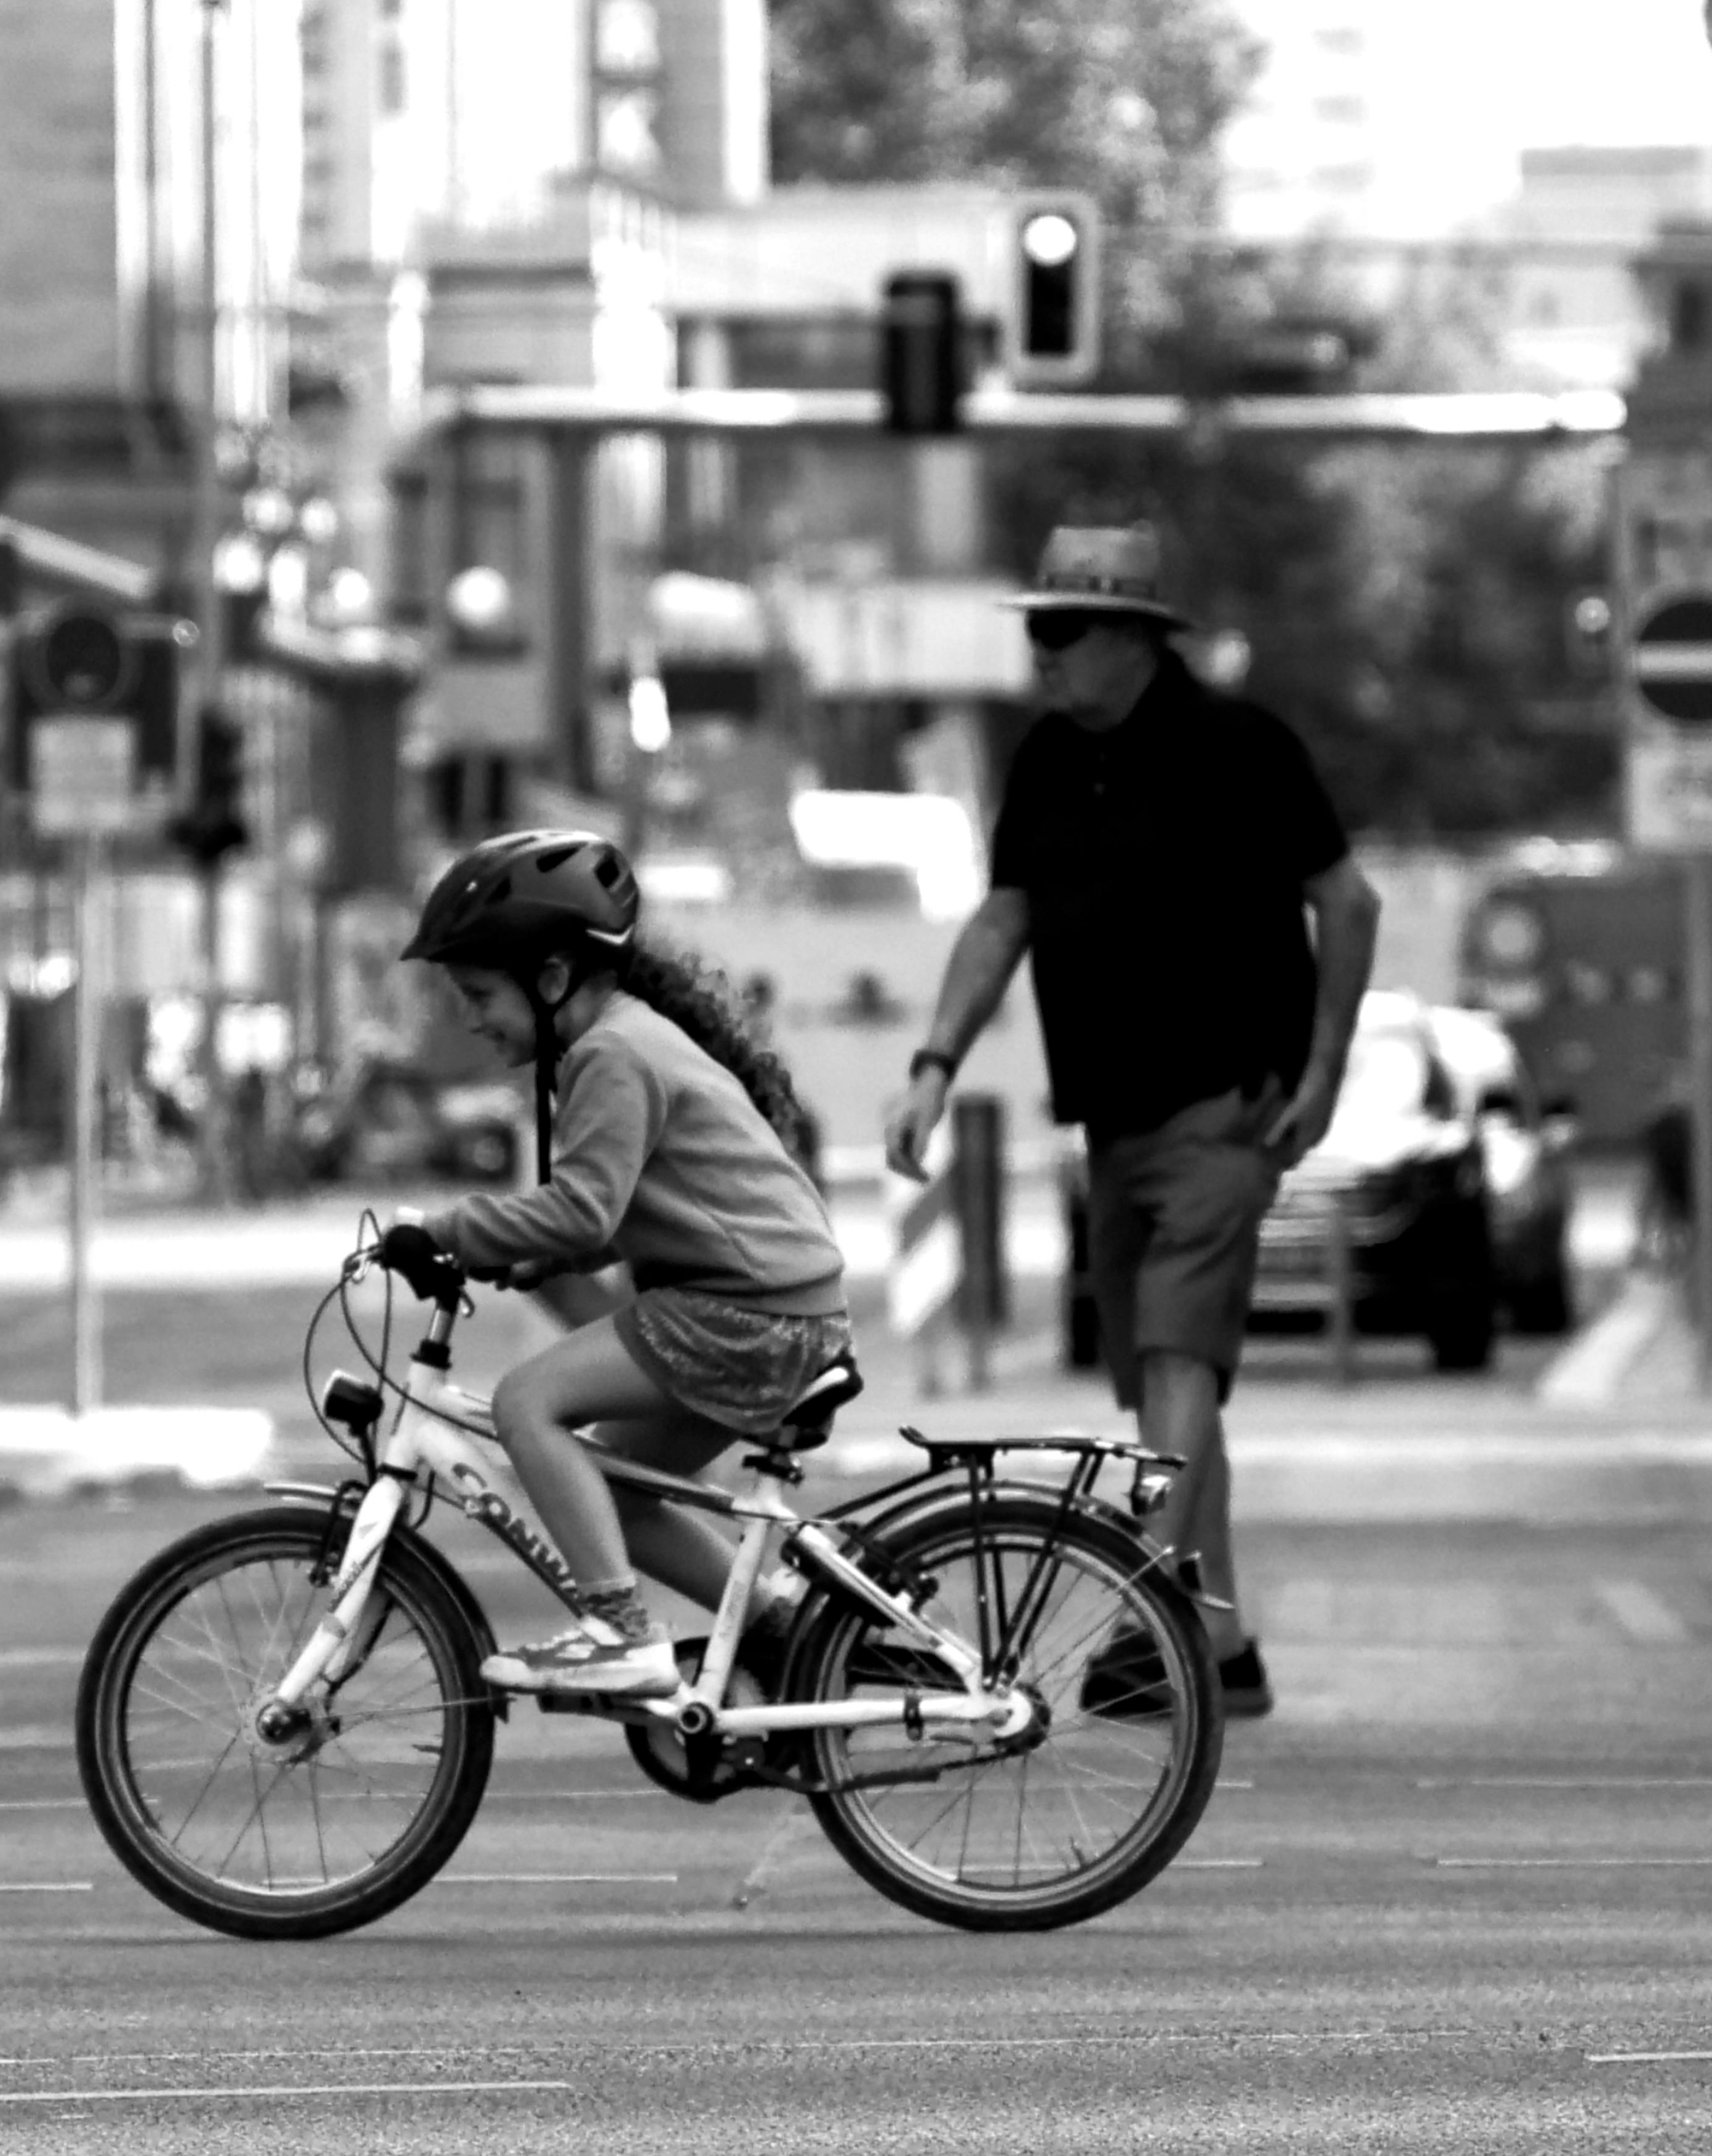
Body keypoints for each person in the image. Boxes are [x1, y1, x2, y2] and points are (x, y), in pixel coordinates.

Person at [885, 523, 1379, 1721]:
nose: (1039, 656)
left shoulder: (1240, 747)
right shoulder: (1048, 756)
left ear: (1132, 638)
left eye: (1059, 633)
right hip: (1111, 1123)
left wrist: (1324, 1066)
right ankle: (1225, 1644)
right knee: (1172, 1394)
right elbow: (1002, 919)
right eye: (1033, 632)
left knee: (1172, 1360)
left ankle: (1143, 1617)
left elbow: (1345, 900)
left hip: (1225, 1109)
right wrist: (933, 1063)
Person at [372, 829, 849, 1702]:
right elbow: (627, 1210)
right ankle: (785, 1630)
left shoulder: (611, 1055)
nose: (473, 1018)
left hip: (742, 1313)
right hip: (771, 1308)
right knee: (617, 1489)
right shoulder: (619, 1042)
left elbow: (586, 1206)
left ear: (552, 979)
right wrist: (542, 1251)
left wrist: (450, 1228)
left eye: (480, 994)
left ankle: (618, 1633)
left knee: (525, 1403)